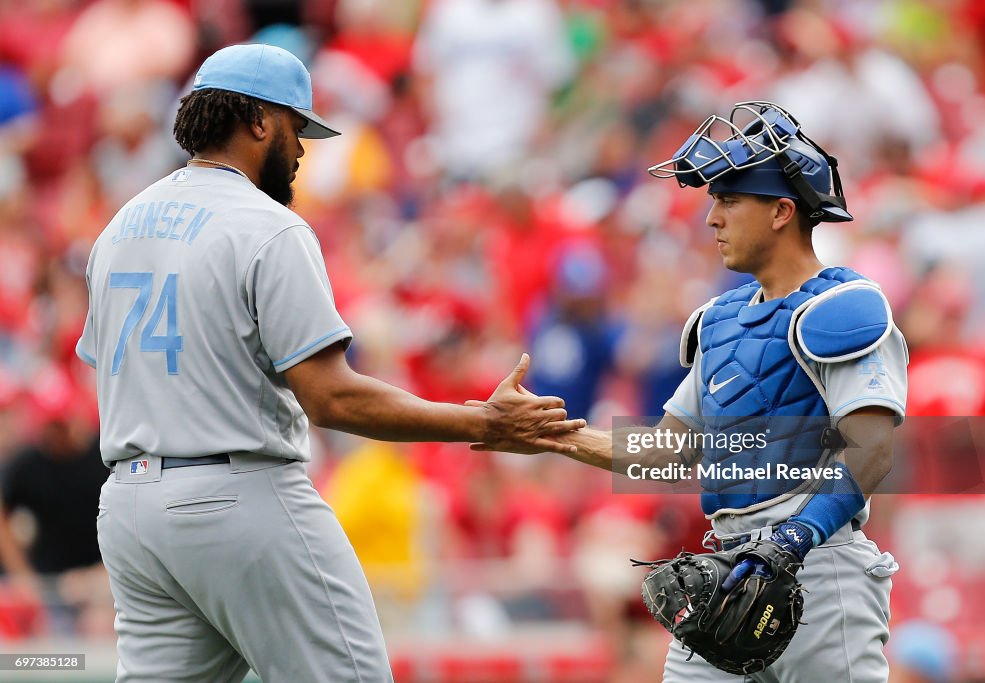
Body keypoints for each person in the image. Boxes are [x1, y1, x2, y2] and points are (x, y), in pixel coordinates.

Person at [74, 43, 584, 683]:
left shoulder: (118, 228)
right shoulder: (268, 226)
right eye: (295, 126)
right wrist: (483, 422)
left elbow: (106, 369)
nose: (302, 148)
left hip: (129, 508)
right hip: (236, 495)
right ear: (259, 121)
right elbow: (332, 399)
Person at [476, 101, 908, 681]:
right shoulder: (719, 320)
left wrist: (791, 541)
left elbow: (873, 450)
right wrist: (552, 435)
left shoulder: (844, 307)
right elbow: (664, 451)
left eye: (729, 199)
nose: (712, 218)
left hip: (819, 566)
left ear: (782, 211)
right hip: (727, 564)